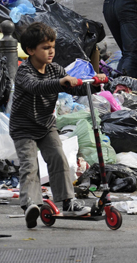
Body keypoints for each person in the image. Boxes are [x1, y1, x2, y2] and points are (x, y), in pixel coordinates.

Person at [10, 22, 107, 229]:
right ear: (30, 50)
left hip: (45, 125)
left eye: (52, 46)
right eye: (45, 48)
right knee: (30, 166)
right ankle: (31, 205)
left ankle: (68, 202)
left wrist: (94, 83)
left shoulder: (55, 70)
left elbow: (77, 90)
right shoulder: (24, 72)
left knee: (59, 160)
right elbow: (36, 87)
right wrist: (61, 82)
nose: (51, 51)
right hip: (23, 127)